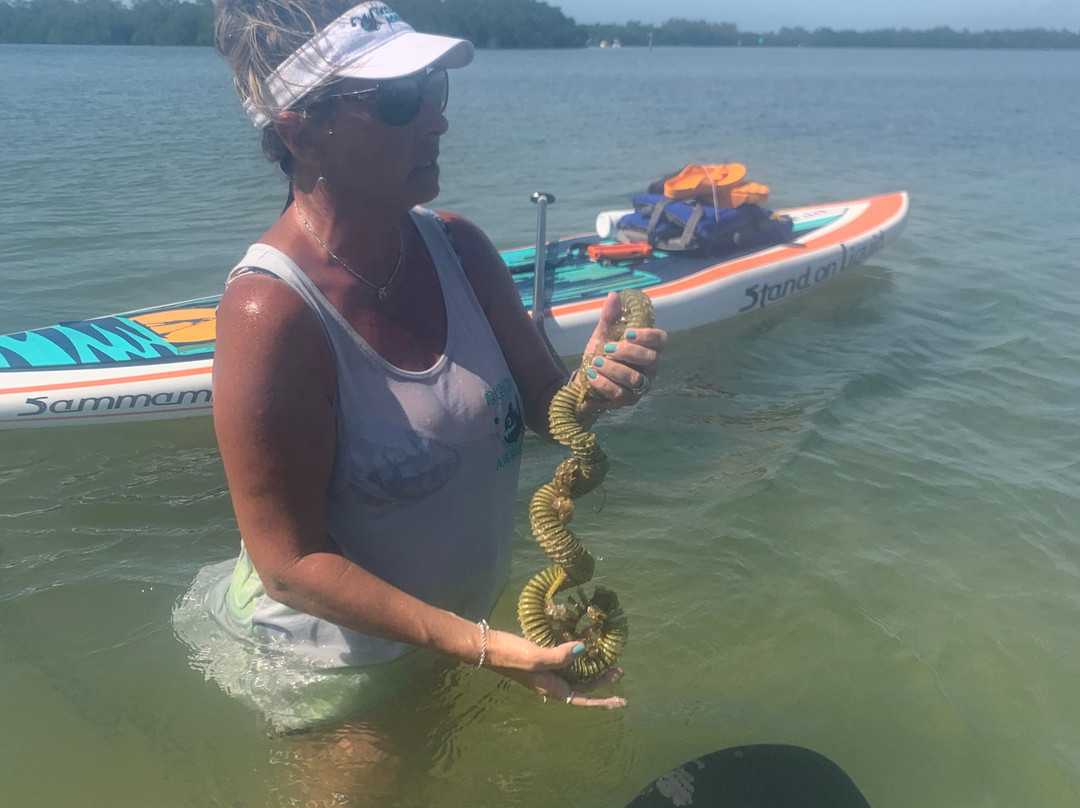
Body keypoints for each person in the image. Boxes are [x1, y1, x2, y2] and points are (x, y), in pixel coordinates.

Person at [180, 0, 666, 732]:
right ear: (299, 132)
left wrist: (593, 385)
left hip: (465, 635)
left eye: (434, 88)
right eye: (400, 100)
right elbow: (287, 562)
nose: (436, 120)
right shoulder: (270, 313)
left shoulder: (461, 248)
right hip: (330, 664)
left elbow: (544, 403)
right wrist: (479, 647)